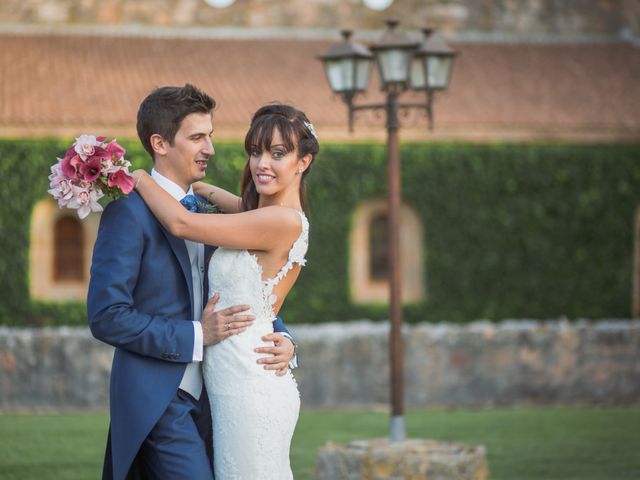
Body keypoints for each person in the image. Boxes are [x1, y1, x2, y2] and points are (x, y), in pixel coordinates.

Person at [87, 84, 297, 480]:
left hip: (222, 396)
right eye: (198, 137)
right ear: (160, 143)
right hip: (161, 398)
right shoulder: (128, 215)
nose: (210, 149)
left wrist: (283, 337)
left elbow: (247, 286)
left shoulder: (208, 210)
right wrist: (198, 335)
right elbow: (107, 316)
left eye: (211, 136)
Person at [131, 101, 318, 479]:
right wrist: (193, 184)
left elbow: (182, 223)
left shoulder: (278, 221)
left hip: (249, 385)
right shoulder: (259, 215)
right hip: (233, 378)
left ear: (303, 162)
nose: (262, 164)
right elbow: (225, 201)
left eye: (278, 154)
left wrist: (136, 177)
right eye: (255, 152)